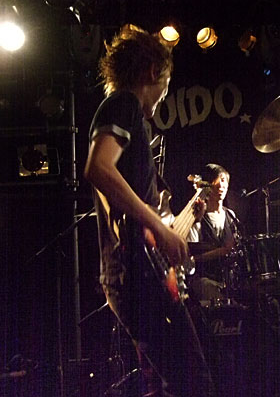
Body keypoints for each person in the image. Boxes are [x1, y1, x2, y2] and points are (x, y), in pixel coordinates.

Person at [84, 24, 215, 397]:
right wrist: (159, 227)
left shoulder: (125, 113)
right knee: (194, 384)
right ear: (153, 72)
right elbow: (98, 167)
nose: (163, 96)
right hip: (135, 276)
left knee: (171, 384)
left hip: (138, 273)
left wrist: (170, 226)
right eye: (166, 86)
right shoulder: (124, 104)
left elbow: (134, 213)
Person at [187, 163, 243, 305]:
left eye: (224, 181)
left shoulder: (231, 215)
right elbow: (191, 260)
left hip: (230, 281)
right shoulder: (197, 217)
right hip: (204, 280)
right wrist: (221, 251)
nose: (221, 186)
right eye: (216, 181)